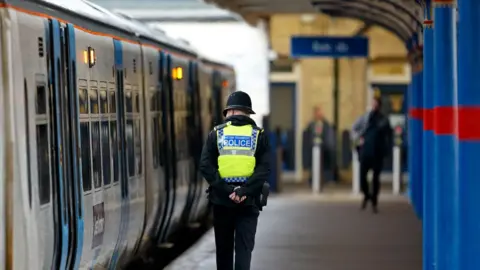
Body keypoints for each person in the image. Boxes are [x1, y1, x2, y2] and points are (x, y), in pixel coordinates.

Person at [199, 90, 270, 270]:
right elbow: (264, 169)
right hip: (249, 202)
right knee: (244, 251)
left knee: (224, 252)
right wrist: (244, 191)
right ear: (248, 113)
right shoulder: (258, 135)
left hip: (222, 202)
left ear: (229, 112)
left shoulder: (216, 134)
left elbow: (206, 166)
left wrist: (228, 191)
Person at [351, 97, 392, 213]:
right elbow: (354, 129)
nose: (373, 106)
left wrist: (386, 150)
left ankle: (374, 200)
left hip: (377, 153)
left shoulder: (383, 120)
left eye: (375, 104)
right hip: (365, 151)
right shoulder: (365, 118)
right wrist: (358, 139)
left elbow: (388, 136)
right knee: (362, 177)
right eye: (372, 104)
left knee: (375, 179)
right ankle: (366, 194)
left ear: (379, 105)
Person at [302, 106, 336, 185]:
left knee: (325, 165)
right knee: (313, 165)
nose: (320, 114)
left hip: (325, 149)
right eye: (318, 112)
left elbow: (329, 136)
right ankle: (313, 179)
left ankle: (326, 179)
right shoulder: (311, 125)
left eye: (321, 112)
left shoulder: (326, 124)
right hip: (314, 148)